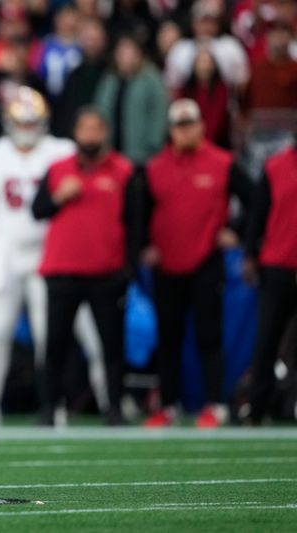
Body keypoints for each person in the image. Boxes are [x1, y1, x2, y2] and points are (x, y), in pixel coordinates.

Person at [0, 88, 105, 428]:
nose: (26, 128)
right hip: (4, 251)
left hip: (47, 252)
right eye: (20, 121)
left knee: (48, 335)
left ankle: (52, 406)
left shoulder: (61, 151)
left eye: (32, 122)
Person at [139, 99, 252, 428]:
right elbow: (139, 213)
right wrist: (145, 246)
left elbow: (256, 198)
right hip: (166, 264)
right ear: (171, 130)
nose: (184, 130)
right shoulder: (155, 167)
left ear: (201, 126)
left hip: (206, 261)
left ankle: (215, 404)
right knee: (168, 338)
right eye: (178, 125)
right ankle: (168, 405)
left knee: (209, 336)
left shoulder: (222, 162)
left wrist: (238, 232)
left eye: (189, 124)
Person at [32, 108, 135, 426]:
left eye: (95, 129)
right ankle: (50, 409)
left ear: (104, 133)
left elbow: (135, 222)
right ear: (76, 133)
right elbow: (37, 210)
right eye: (84, 129)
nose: (90, 136)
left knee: (111, 346)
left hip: (106, 272)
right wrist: (58, 197)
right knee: (55, 346)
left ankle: (114, 407)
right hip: (62, 270)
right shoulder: (58, 169)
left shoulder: (123, 170)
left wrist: (127, 269)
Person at [242, 138, 297, 424]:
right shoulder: (275, 166)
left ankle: (291, 405)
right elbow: (257, 214)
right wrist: (250, 254)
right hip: (278, 267)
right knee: (266, 340)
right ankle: (257, 408)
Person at [94, 35, 168, 166]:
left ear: (138, 54)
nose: (125, 57)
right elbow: (99, 111)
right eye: (121, 53)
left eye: (129, 52)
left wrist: (153, 145)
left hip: (142, 153)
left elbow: (159, 112)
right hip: (111, 151)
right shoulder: (109, 79)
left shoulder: (150, 79)